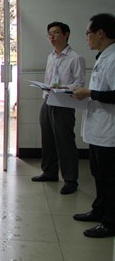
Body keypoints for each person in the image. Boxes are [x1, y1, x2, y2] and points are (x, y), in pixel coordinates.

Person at [72, 13, 115, 238]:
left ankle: (110, 222)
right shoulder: (103, 56)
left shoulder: (114, 58)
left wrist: (89, 93)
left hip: (109, 132)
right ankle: (99, 210)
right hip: (98, 130)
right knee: (98, 174)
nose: (86, 37)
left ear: (101, 33)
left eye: (88, 33)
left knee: (109, 179)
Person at [32, 21, 85, 195]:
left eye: (55, 33)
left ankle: (70, 180)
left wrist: (62, 88)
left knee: (65, 142)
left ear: (66, 34)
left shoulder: (75, 58)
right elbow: (50, 80)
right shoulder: (51, 57)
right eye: (49, 34)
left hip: (63, 103)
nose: (52, 37)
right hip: (48, 100)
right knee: (47, 139)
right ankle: (50, 172)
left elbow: (79, 83)